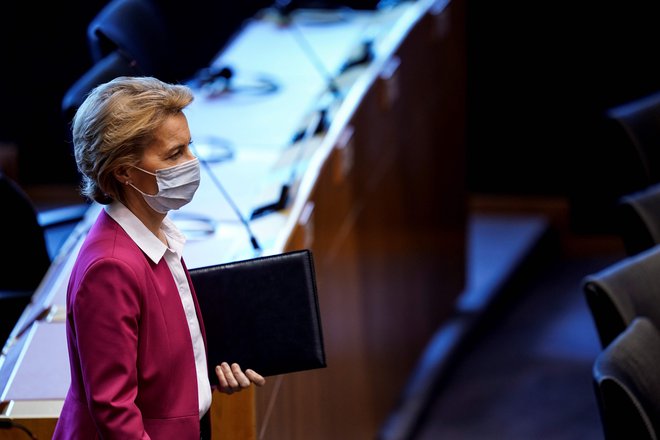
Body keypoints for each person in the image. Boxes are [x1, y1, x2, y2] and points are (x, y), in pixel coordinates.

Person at [52, 76, 265, 440]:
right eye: (174, 154)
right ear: (122, 171)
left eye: (189, 147)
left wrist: (205, 374)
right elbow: (114, 411)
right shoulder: (111, 268)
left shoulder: (156, 233)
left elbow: (157, 355)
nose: (192, 162)